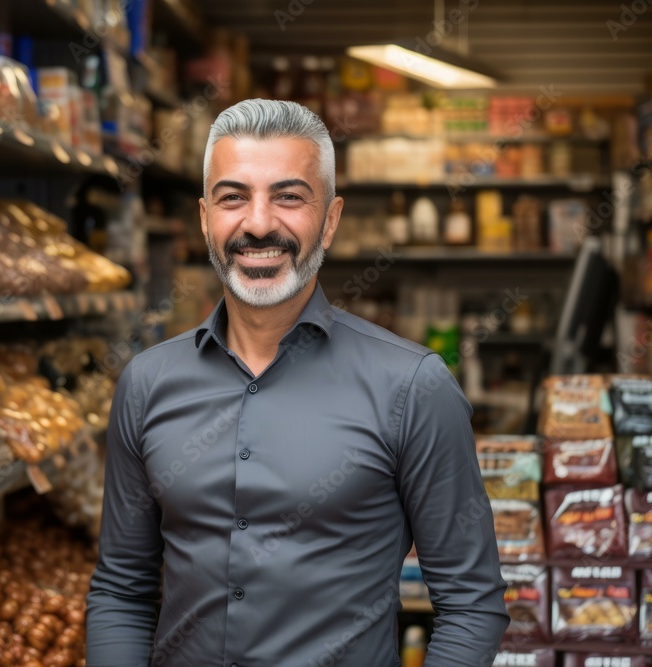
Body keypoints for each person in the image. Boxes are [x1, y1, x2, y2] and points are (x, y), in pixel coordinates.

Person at [85, 99, 508, 666]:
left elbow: (471, 603)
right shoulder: (146, 384)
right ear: (205, 219)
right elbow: (122, 589)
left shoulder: (413, 389)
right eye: (234, 197)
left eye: (288, 197)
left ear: (330, 220)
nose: (259, 224)